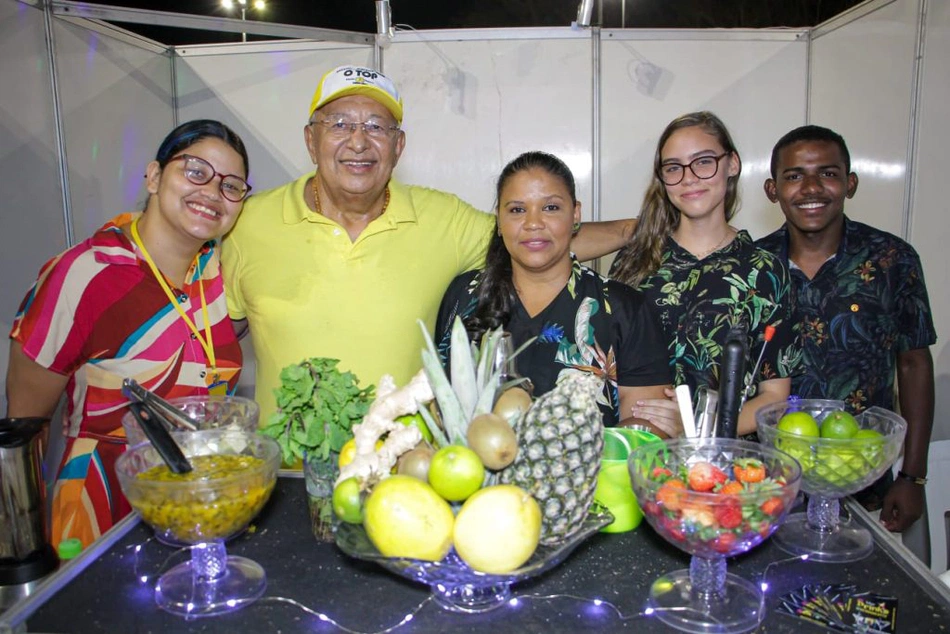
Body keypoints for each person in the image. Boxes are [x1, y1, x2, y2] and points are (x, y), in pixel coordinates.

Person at [222, 66, 633, 421]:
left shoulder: (442, 218)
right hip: (292, 473)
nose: (359, 142)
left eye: (376, 127)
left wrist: (643, 229)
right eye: (341, 124)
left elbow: (534, 236)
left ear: (398, 147)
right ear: (311, 139)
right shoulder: (250, 222)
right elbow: (220, 337)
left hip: (405, 467)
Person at [6, 119, 251, 546]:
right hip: (106, 502)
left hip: (202, 494)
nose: (212, 193)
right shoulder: (85, 275)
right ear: (155, 176)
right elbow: (25, 426)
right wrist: (19, 551)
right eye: (195, 171)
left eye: (231, 186)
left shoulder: (221, 273)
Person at [757, 125, 936, 532]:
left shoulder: (892, 260)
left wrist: (913, 477)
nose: (812, 188)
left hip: (864, 488)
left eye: (828, 173)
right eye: (794, 176)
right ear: (773, 190)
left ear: (849, 183)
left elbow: (914, 364)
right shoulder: (753, 267)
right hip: (766, 486)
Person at [436, 152, 673, 432]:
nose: (533, 223)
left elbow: (648, 428)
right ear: (498, 221)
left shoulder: (623, 307)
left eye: (550, 208)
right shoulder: (464, 296)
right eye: (516, 210)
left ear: (576, 215)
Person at [609, 111, 799, 437]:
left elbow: (774, 396)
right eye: (673, 168)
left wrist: (699, 429)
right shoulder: (633, 262)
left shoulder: (765, 271)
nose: (689, 178)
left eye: (703, 161)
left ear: (732, 164)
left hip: (724, 466)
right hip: (636, 458)